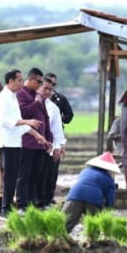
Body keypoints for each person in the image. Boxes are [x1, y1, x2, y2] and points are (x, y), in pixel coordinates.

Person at [0, 69, 46, 218]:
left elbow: (20, 124)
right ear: (11, 81)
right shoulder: (3, 97)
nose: (21, 83)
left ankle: (9, 209)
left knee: (14, 176)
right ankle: (5, 210)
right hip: (7, 142)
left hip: (16, 142)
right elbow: (4, 121)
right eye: (19, 80)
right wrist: (27, 120)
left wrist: (37, 135)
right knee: (10, 177)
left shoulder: (13, 97)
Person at [16, 68, 54, 211]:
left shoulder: (38, 96)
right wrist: (37, 102)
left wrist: (49, 138)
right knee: (24, 175)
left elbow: (45, 118)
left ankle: (34, 204)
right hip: (27, 141)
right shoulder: (21, 94)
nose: (39, 85)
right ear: (30, 79)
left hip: (41, 143)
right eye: (38, 81)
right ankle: (22, 205)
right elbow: (23, 113)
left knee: (36, 175)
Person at [62, 152, 120, 234]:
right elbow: (110, 200)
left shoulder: (85, 171)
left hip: (75, 195)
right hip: (93, 199)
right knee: (94, 227)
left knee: (64, 224)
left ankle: (56, 241)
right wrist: (108, 209)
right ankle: (92, 243)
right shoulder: (109, 180)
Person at [39, 77, 67, 209]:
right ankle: (34, 202)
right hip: (33, 146)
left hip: (49, 147)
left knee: (49, 175)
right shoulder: (30, 103)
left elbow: (57, 130)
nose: (47, 92)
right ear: (39, 87)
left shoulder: (53, 108)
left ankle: (46, 200)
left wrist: (58, 147)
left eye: (50, 89)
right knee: (34, 176)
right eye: (45, 88)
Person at [44, 72, 72, 204]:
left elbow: (69, 115)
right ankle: (40, 197)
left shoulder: (60, 99)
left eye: (53, 85)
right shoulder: (39, 99)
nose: (50, 88)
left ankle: (49, 196)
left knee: (53, 170)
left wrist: (60, 118)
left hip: (56, 135)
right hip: (41, 137)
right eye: (48, 85)